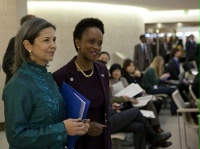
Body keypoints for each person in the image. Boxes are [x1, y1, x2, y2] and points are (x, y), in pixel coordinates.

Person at [2, 18, 89, 148]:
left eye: (54, 40)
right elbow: (16, 137)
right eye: (46, 40)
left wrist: (76, 126)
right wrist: (62, 129)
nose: (53, 45)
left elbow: (51, 120)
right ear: (28, 45)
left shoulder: (47, 78)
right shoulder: (18, 84)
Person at [53, 18, 111, 149]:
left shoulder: (102, 71)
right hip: (78, 143)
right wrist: (86, 127)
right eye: (91, 41)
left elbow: (105, 108)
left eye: (100, 43)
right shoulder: (61, 76)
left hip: (102, 141)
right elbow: (59, 119)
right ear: (78, 42)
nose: (96, 47)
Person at [109, 63, 163, 133]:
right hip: (119, 104)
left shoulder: (123, 79)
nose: (117, 73)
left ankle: (156, 126)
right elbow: (110, 99)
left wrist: (131, 99)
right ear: (111, 72)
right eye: (114, 71)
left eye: (118, 71)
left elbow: (129, 91)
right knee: (140, 112)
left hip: (129, 101)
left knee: (149, 103)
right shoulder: (109, 82)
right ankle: (152, 130)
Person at [2, 14, 36, 85]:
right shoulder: (15, 41)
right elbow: (6, 64)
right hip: (17, 85)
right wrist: (20, 79)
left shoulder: (34, 41)